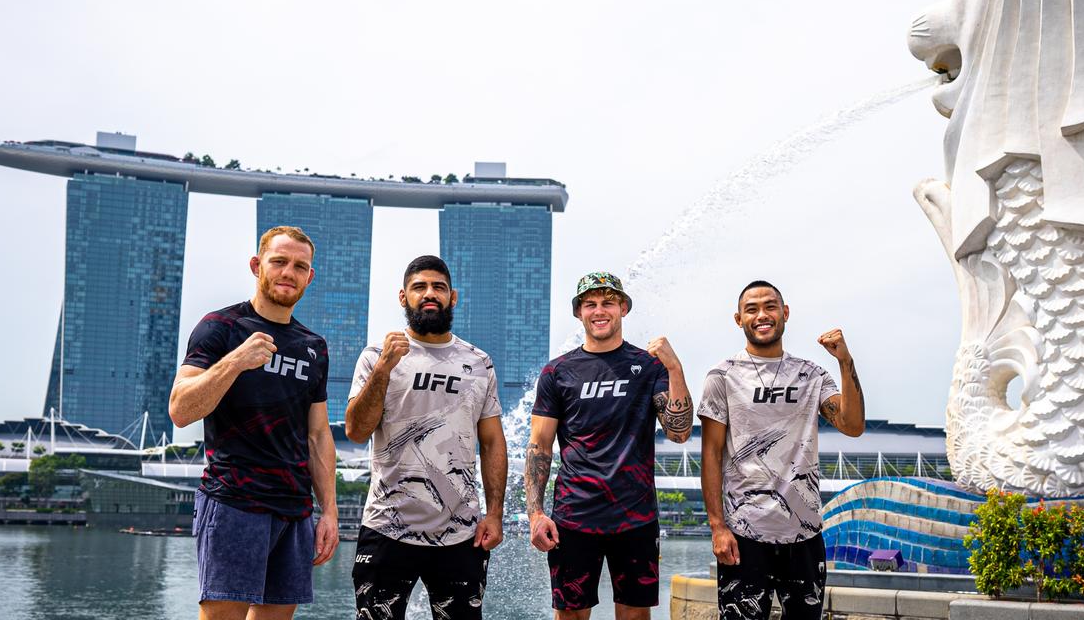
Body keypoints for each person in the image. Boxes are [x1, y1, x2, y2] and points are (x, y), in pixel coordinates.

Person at [168, 225, 339, 620]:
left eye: (300, 266)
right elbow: (180, 409)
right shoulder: (220, 328)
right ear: (256, 265)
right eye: (279, 262)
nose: (288, 273)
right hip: (234, 501)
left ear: (309, 277)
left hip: (294, 510)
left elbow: (317, 435)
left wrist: (327, 510)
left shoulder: (313, 347)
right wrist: (235, 361)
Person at [344, 254, 507, 620]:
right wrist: (385, 368)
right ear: (403, 297)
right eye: (419, 287)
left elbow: (493, 442)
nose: (429, 294)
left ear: (453, 297)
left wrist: (494, 515)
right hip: (386, 527)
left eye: (438, 287)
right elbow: (355, 430)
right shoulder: (375, 357)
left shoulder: (479, 362)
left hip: (461, 533)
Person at [525, 271, 693, 620]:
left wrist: (674, 367)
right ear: (579, 313)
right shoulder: (557, 372)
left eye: (608, 303)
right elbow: (539, 446)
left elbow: (679, 432)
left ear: (623, 308)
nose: (599, 311)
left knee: (634, 615)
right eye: (590, 304)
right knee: (570, 614)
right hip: (574, 517)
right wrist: (536, 514)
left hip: (636, 517)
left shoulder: (649, 367)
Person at [698, 280, 865, 620]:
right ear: (738, 319)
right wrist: (717, 527)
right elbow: (711, 455)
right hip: (743, 535)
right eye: (752, 309)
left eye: (770, 306)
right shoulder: (723, 375)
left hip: (803, 535)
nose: (762, 315)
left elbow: (853, 425)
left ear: (784, 313)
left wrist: (845, 361)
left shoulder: (811, 374)